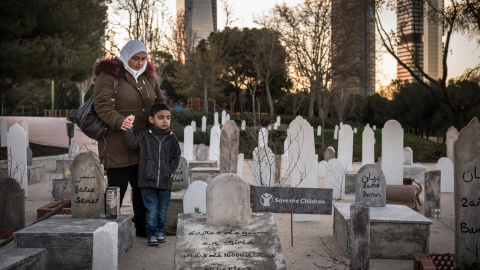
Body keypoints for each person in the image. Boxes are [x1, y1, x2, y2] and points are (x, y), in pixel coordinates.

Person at [93, 40, 163, 237]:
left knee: (143, 189)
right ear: (126, 56)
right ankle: (109, 228)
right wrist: (119, 121)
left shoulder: (149, 77)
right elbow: (102, 104)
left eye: (144, 59)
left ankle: (143, 227)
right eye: (136, 59)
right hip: (117, 142)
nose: (140, 63)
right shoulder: (110, 75)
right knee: (116, 187)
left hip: (143, 142)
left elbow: (158, 102)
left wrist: (160, 122)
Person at [123, 103, 181, 246]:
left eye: (168, 118)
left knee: (162, 210)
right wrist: (128, 127)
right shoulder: (145, 136)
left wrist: (170, 171)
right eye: (160, 117)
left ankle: (161, 230)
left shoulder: (172, 138)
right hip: (147, 181)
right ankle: (152, 233)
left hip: (165, 182)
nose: (165, 121)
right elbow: (131, 143)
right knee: (152, 209)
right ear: (151, 119)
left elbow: (176, 156)